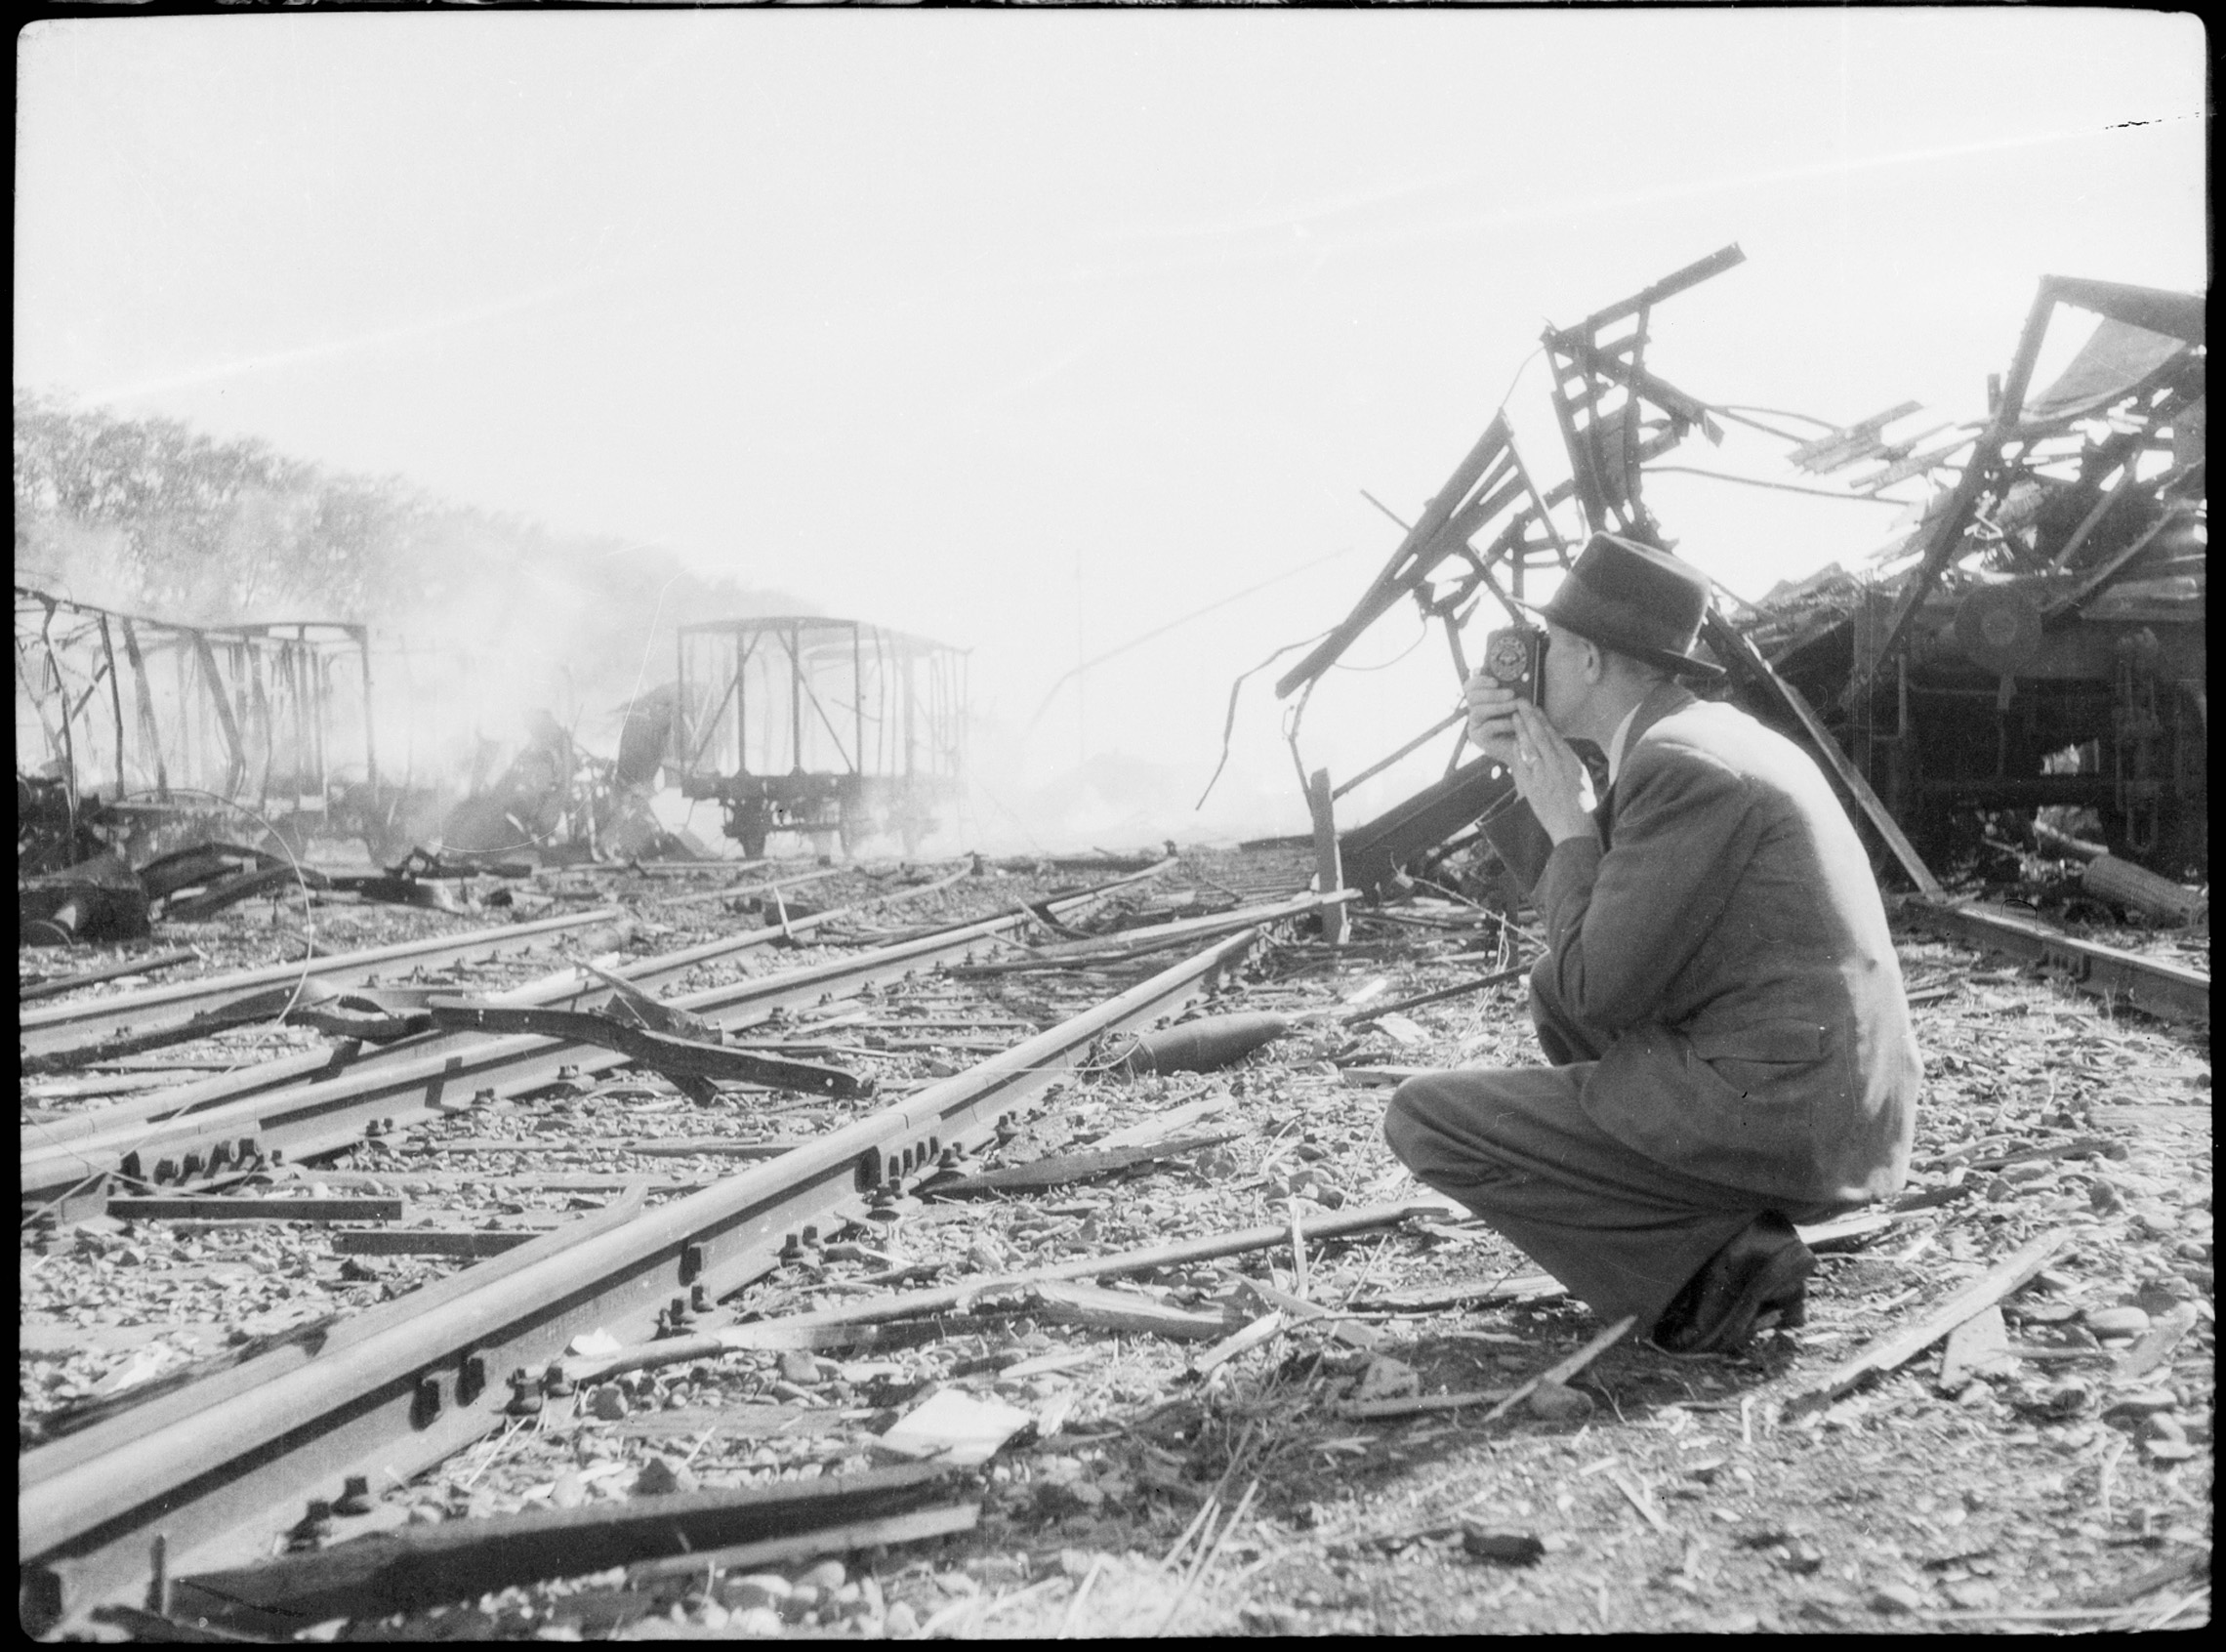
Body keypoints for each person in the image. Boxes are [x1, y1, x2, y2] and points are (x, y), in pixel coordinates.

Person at [1383, 533, 1921, 1353]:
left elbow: (1602, 986)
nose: (1531, 665)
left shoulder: (1683, 764)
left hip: (1795, 1106)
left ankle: (1714, 1274)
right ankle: (1722, 1233)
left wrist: (1568, 820)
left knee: (1424, 1118)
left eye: (1551, 647)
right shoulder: (1696, 740)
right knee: (1547, 990)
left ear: (1591, 661)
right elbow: (1599, 954)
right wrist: (1541, 787)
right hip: (1816, 1088)